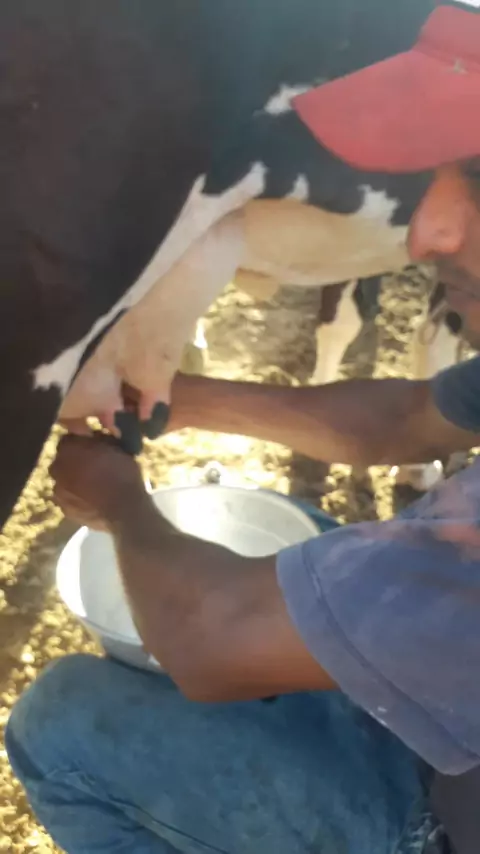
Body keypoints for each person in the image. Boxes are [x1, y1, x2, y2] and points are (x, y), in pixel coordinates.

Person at [6, 3, 480, 853]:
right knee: (314, 557)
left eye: (475, 180)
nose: (424, 231)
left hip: (450, 817)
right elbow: (405, 418)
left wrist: (122, 507)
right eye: (440, 179)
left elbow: (211, 643)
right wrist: (178, 397)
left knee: (63, 725)